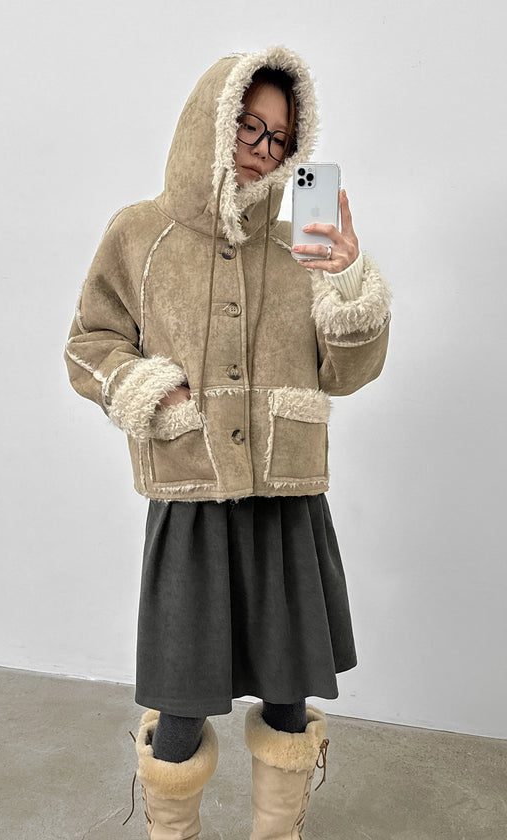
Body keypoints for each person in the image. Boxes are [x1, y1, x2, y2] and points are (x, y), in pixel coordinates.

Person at [64, 45, 391, 840]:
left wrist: (347, 281)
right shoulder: (138, 233)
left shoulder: (298, 244)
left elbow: (346, 373)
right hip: (192, 497)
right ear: (213, 122)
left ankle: (277, 833)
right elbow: (89, 344)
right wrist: (152, 391)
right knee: (180, 701)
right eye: (250, 127)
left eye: (280, 138)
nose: (263, 150)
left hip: (286, 500)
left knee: (287, 696)